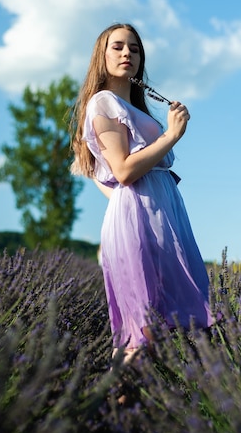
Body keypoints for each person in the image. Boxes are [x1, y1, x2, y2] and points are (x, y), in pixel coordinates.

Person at [70, 23, 213, 360]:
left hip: (162, 217)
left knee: (166, 324)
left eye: (134, 49)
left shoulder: (133, 107)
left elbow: (114, 184)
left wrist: (135, 203)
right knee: (143, 332)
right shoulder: (103, 102)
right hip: (143, 224)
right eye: (117, 47)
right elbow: (122, 170)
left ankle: (132, 408)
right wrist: (171, 136)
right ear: (101, 56)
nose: (127, 54)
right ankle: (108, 408)